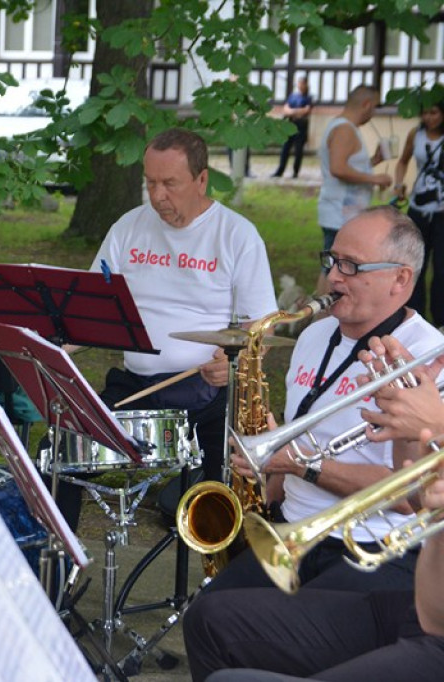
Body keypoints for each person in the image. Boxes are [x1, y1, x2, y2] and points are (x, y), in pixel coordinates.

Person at [181, 206, 441, 607]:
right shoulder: (314, 336)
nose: (333, 276)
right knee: (205, 613)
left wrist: (299, 464)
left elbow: (410, 493)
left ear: (400, 278)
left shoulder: (430, 357)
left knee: (246, 625)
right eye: (332, 260)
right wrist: (266, 483)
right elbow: (304, 434)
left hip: (369, 546)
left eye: (352, 266)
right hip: (291, 529)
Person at [91, 127, 277, 486]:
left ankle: (226, 533)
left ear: (202, 180)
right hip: (134, 386)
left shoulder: (236, 235)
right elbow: (92, 306)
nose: (157, 196)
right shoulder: (128, 227)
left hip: (205, 393)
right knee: (61, 451)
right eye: (150, 183)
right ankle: (57, 542)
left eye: (170, 184)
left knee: (228, 483)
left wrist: (235, 361)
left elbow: (263, 325)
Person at [185, 426, 444, 682]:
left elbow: (402, 502)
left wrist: (300, 464)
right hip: (409, 605)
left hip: (378, 554)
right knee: (207, 619)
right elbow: (429, 614)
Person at [315, 84, 393, 294]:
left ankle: (320, 319)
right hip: (338, 213)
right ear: (366, 104)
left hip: (343, 212)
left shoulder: (345, 127)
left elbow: (349, 167)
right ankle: (320, 321)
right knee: (332, 271)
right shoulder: (344, 129)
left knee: (331, 269)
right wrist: (375, 178)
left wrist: (374, 161)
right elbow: (338, 168)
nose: (374, 113)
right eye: (375, 107)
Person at [394, 100, 444, 323]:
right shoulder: (416, 134)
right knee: (415, 268)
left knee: (441, 271)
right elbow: (402, 161)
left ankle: (440, 321)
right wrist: (398, 183)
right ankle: (415, 320)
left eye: (433, 112)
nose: (429, 118)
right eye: (424, 113)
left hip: (442, 213)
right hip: (418, 209)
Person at [272, 76, 313, 179]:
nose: (300, 85)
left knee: (298, 150)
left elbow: (306, 110)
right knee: (285, 148)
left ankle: (295, 172)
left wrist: (293, 111)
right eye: (299, 83)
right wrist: (295, 112)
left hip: (301, 126)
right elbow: (285, 109)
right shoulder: (293, 96)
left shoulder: (308, 98)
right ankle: (280, 170)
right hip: (290, 124)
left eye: (302, 83)